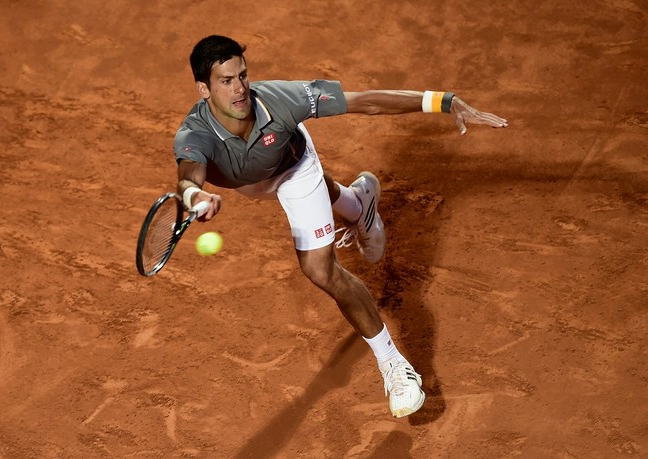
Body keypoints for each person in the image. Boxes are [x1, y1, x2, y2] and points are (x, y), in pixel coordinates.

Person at [173, 35, 507, 418]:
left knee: (318, 267)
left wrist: (442, 101)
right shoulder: (193, 133)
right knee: (320, 204)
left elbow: (364, 102)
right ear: (203, 89)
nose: (241, 88)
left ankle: (395, 366)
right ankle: (357, 202)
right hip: (251, 183)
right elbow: (188, 175)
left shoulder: (281, 99)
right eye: (226, 80)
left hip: (293, 167)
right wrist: (195, 198)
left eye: (243, 75)